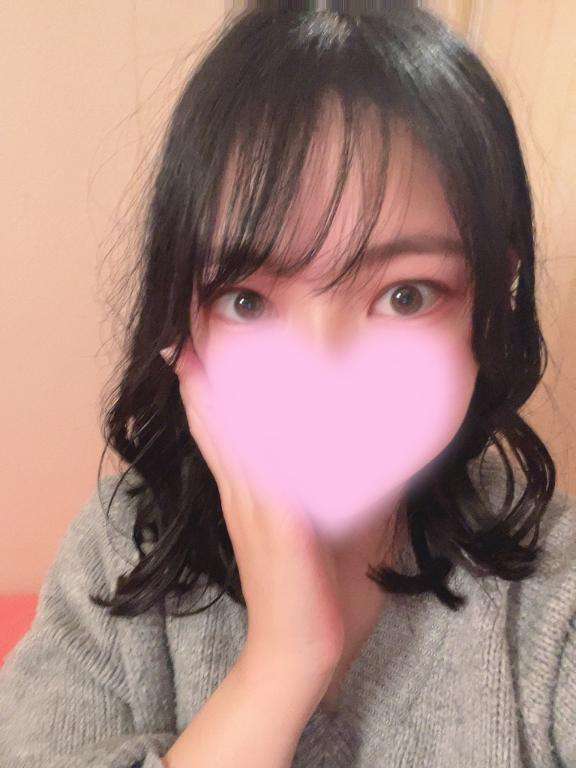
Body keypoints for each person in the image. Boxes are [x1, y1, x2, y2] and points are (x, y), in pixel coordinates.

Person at [1, 3, 575, 768]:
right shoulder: (118, 551)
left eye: (406, 295)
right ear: (183, 318)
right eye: (247, 301)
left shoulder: (554, 583)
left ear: (494, 299)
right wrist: (280, 665)